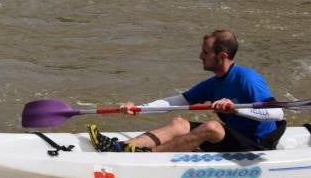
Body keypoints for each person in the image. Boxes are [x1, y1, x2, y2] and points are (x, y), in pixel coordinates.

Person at [92, 30, 286, 153]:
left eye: (206, 52)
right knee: (179, 123)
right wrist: (138, 108)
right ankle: (122, 148)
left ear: (222, 56)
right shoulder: (212, 84)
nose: (200, 56)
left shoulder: (248, 79)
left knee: (212, 127)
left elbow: (277, 112)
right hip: (233, 138)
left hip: (257, 145)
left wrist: (236, 109)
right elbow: (175, 102)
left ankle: (149, 156)